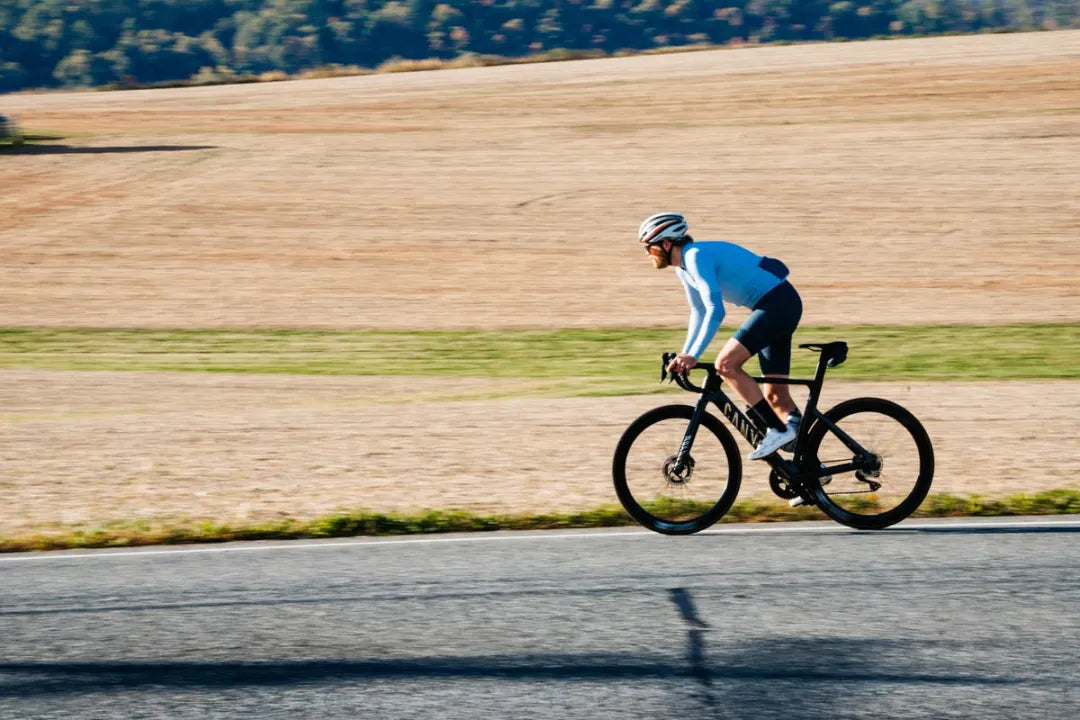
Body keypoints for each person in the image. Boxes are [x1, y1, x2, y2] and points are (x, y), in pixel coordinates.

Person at [639, 212, 803, 460]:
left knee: (726, 365)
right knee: (775, 396)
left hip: (777, 305)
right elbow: (698, 310)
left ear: (666, 243)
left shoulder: (695, 256)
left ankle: (777, 430)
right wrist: (687, 353)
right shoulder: (682, 268)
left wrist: (694, 355)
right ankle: (810, 470)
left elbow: (716, 309)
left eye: (649, 248)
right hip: (776, 306)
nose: (647, 254)